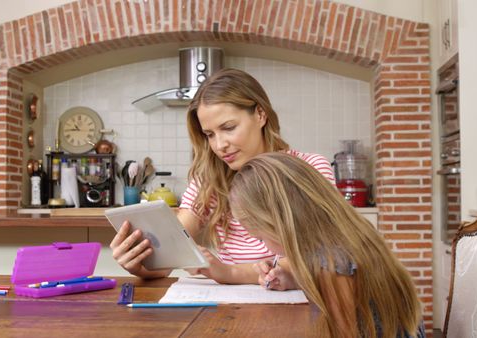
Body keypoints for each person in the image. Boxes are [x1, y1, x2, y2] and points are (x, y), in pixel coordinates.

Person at [110, 68, 335, 285]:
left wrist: (230, 272)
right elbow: (169, 254)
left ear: (260, 114)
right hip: (231, 311)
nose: (219, 146)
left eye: (228, 127)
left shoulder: (310, 168)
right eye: (209, 134)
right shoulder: (211, 181)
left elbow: (322, 259)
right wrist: (139, 262)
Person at [229, 153, 425, 338]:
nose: (267, 248)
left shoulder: (331, 263)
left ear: (280, 222)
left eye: (261, 238)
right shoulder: (342, 237)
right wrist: (293, 278)